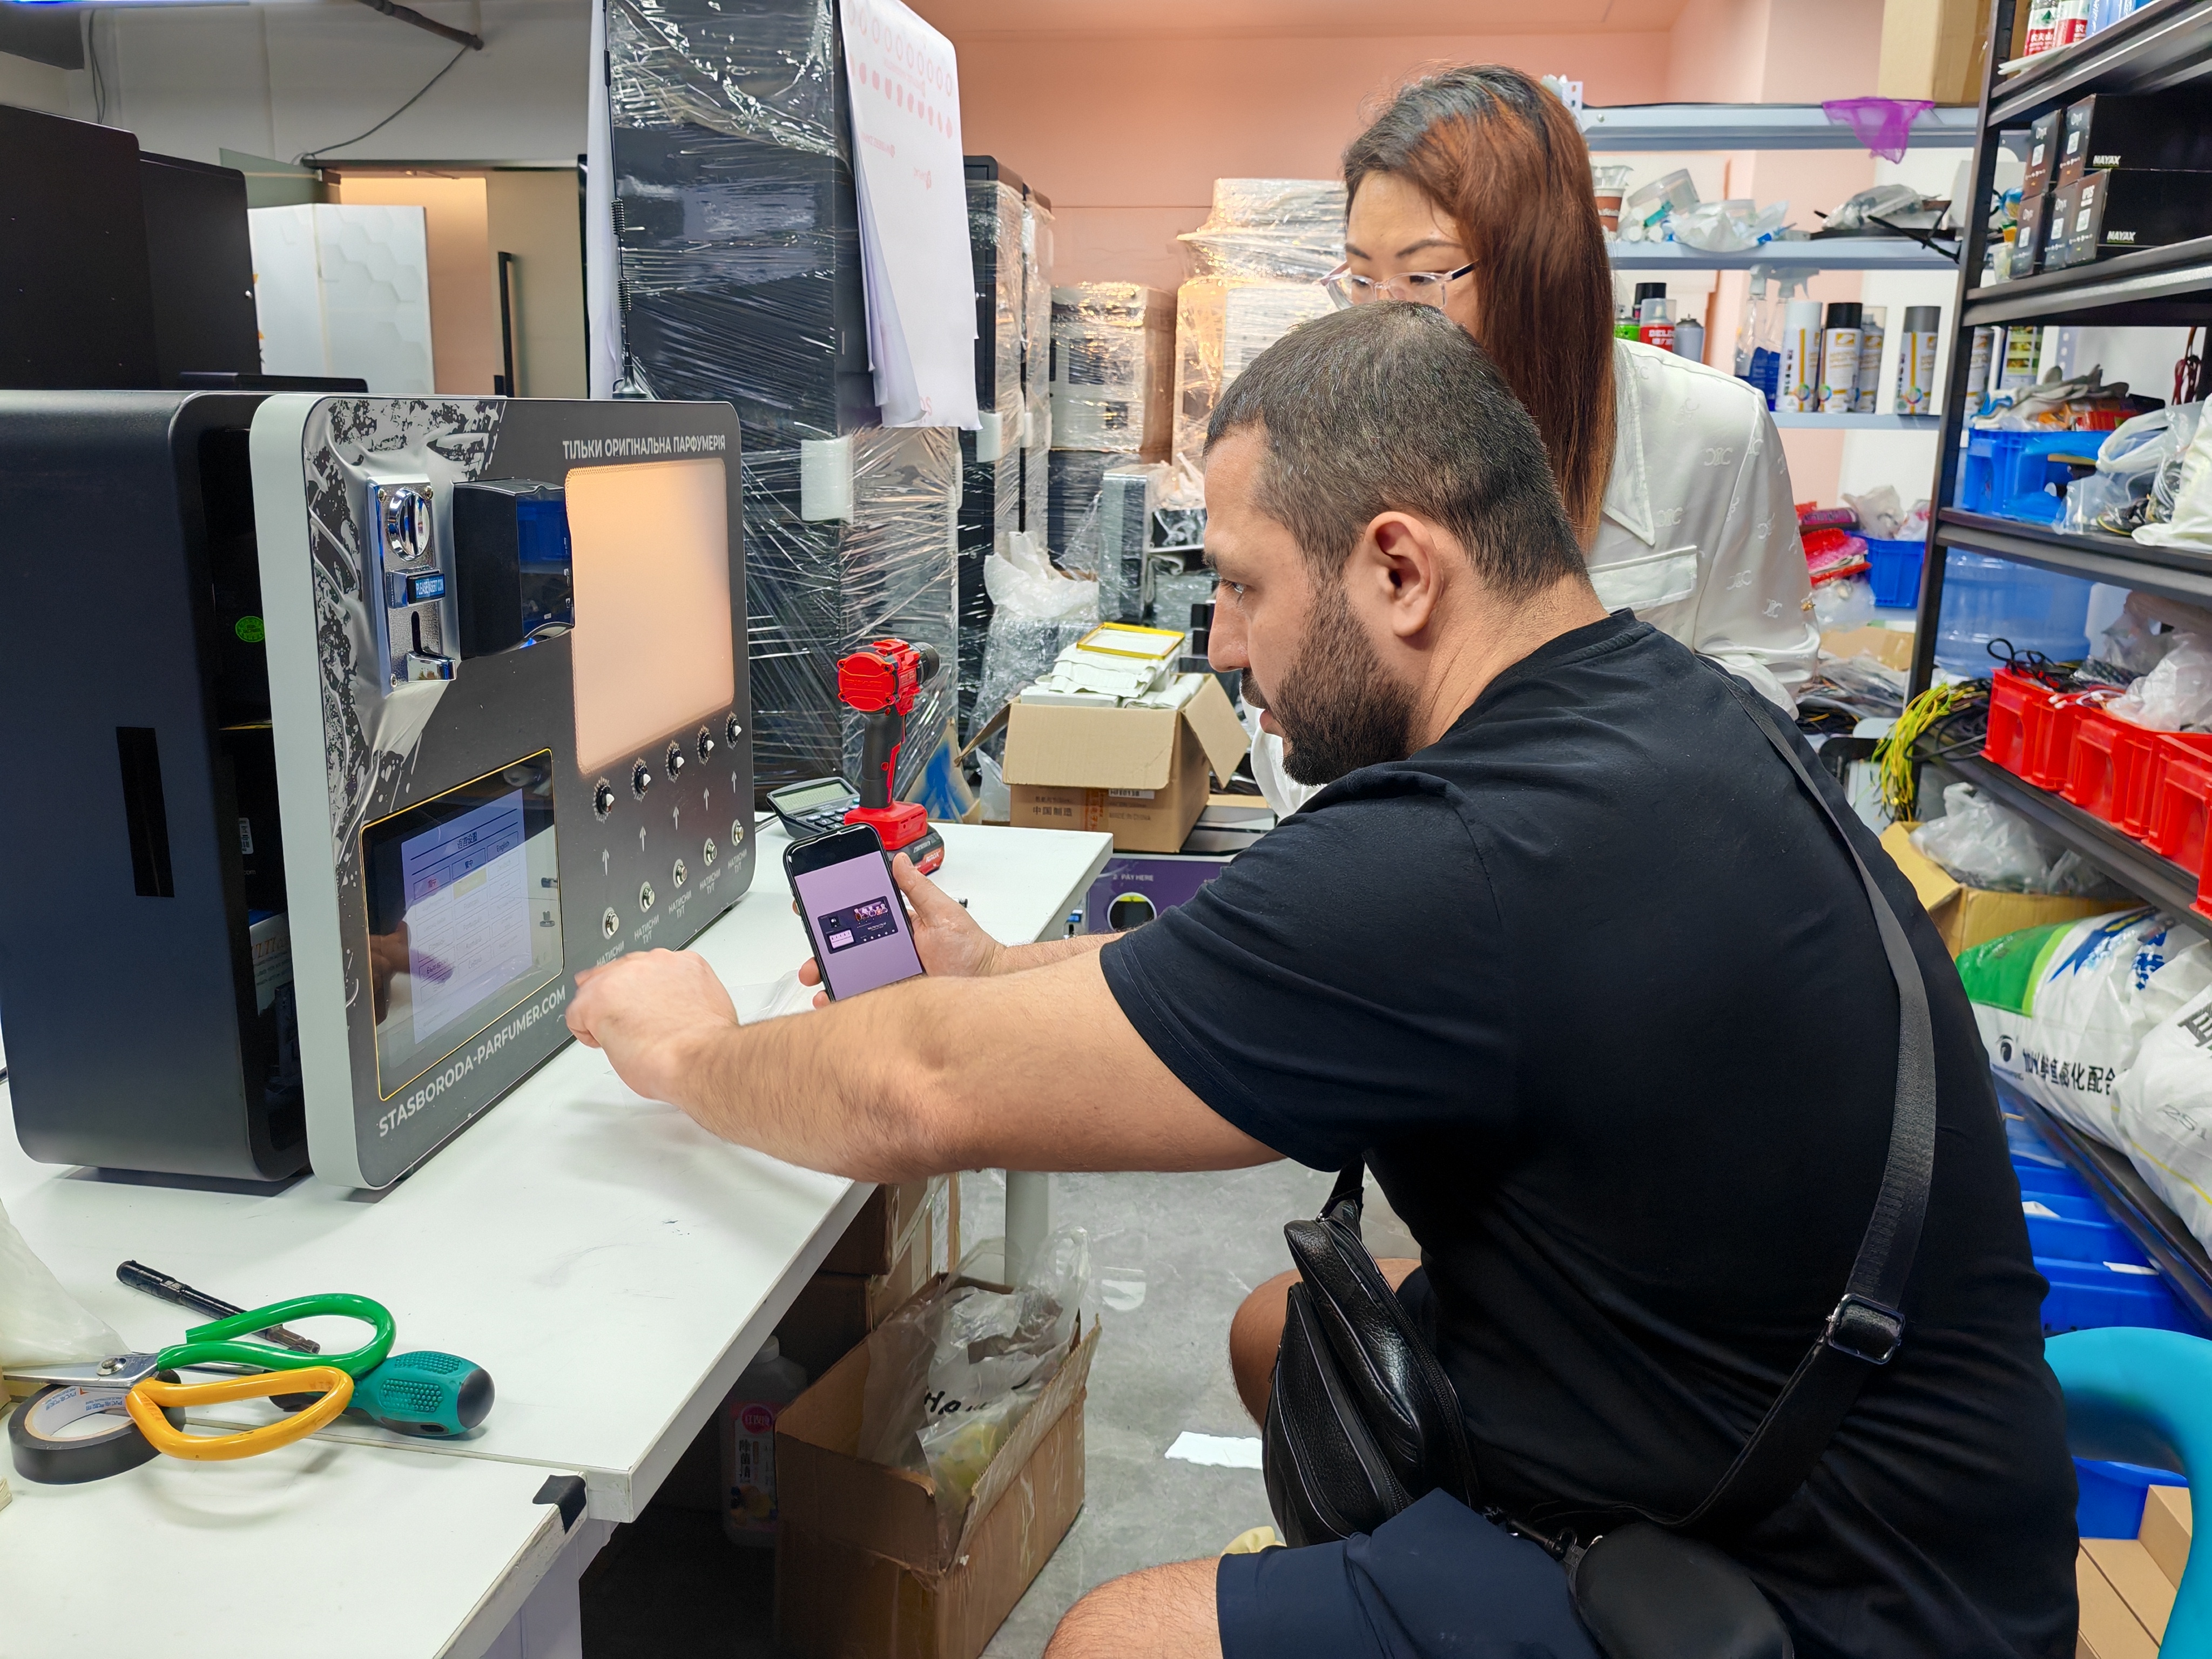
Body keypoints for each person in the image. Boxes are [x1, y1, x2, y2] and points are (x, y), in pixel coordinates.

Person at [565, 304, 2075, 1659]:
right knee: (1281, 1335)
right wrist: (1003, 965)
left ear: (1400, 569)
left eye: (1241, 587)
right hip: (1856, 1454)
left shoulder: (1474, 857)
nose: (1224, 646)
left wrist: (693, 1055)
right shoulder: (1632, 715)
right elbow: (1269, 958)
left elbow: (923, 1087)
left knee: (1115, 1643)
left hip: (1836, 1599)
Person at [1249, 64, 1819, 816]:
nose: (1381, 322)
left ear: (1539, 270)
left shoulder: (1714, 433)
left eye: (1422, 280)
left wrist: (1579, 770)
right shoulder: (1331, 437)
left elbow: (1769, 688)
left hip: (1620, 871)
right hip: (1398, 872)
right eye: (1360, 280)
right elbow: (1276, 720)